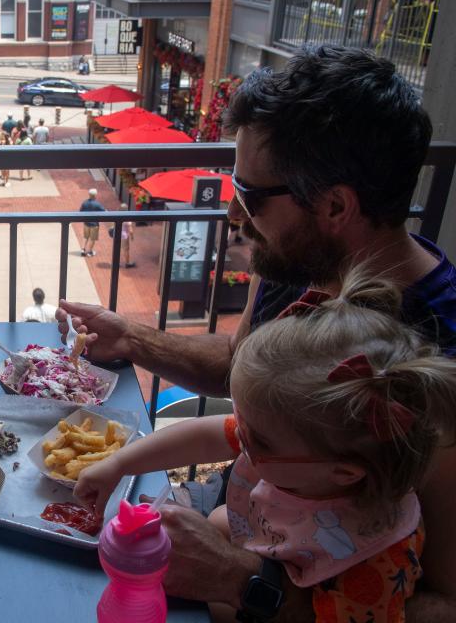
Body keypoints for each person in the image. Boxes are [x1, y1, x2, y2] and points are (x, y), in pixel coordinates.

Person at [57, 45, 456, 621]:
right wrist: (135, 340)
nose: (233, 216)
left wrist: (239, 578)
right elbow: (238, 366)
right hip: (240, 525)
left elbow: (439, 599)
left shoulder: (439, 349)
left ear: (336, 206)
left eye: (250, 195)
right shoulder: (304, 266)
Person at [76, 268, 456, 622]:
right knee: (223, 518)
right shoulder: (304, 456)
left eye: (254, 438)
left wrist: (226, 592)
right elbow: (206, 434)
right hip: (267, 542)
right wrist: (120, 463)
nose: (239, 437)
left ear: (343, 472)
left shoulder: (371, 566)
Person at [79, 188, 104, 256]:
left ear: (89, 195)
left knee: (85, 236)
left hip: (86, 223)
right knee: (92, 238)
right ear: (95, 195)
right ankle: (90, 252)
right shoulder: (97, 204)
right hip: (94, 224)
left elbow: (80, 212)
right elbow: (104, 212)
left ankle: (83, 249)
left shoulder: (84, 203)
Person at [117, 202, 136, 268]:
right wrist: (132, 236)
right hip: (124, 236)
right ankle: (127, 263)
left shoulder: (117, 215)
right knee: (126, 250)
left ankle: (116, 263)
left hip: (117, 235)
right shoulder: (126, 217)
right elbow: (130, 230)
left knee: (117, 249)